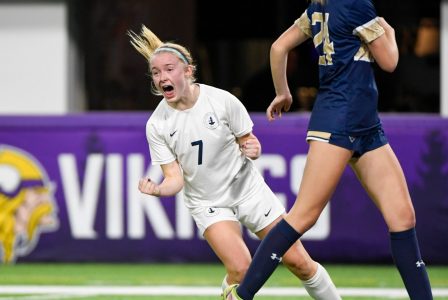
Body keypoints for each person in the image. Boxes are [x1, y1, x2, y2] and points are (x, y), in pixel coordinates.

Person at [224, 0, 434, 299]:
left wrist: (283, 92)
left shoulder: (319, 7)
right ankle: (241, 295)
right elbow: (390, 61)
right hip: (340, 121)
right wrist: (388, 31)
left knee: (403, 217)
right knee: (303, 216)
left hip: (364, 124)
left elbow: (278, 48)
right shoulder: (357, 5)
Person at [128, 25, 342, 300]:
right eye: (156, 73)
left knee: (300, 263)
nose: (162, 77)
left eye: (169, 69)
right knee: (242, 270)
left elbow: (248, 142)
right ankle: (231, 287)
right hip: (209, 203)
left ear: (188, 72)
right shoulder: (157, 125)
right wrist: (158, 189)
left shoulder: (222, 101)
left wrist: (253, 148)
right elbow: (175, 178)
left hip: (248, 191)